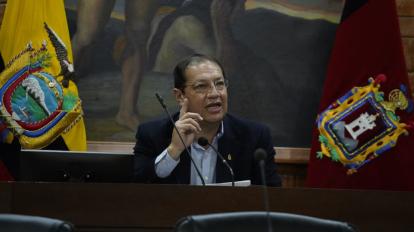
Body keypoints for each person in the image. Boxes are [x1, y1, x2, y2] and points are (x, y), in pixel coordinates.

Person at [133, 54, 281, 186]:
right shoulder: (153, 134)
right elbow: (139, 186)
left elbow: (271, 196)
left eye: (220, 84)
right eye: (201, 86)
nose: (215, 94)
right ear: (180, 96)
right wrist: (174, 150)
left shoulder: (254, 136)